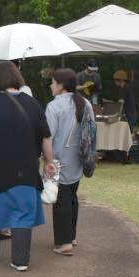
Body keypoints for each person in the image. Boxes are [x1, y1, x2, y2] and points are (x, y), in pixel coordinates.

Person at [0, 61, 56, 271]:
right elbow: (45, 137)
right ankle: (20, 260)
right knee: (23, 213)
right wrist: (50, 162)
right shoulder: (33, 104)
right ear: (17, 77)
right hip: (24, 169)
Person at [46, 68, 86, 255]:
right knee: (71, 197)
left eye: (53, 82)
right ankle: (71, 235)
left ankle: (64, 243)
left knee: (60, 200)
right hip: (79, 158)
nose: (50, 85)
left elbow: (48, 135)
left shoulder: (54, 106)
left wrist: (45, 157)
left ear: (60, 85)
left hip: (58, 159)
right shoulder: (83, 103)